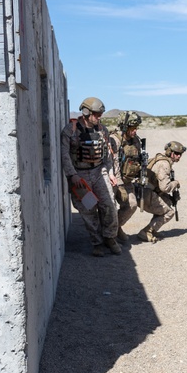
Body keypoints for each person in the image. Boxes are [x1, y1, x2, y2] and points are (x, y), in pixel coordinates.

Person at [61, 96, 121, 257]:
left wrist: (110, 172)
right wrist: (72, 175)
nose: (99, 117)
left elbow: (107, 154)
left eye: (100, 114)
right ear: (87, 112)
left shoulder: (102, 130)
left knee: (109, 206)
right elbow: (64, 155)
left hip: (99, 171)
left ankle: (110, 238)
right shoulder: (70, 130)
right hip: (80, 176)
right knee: (89, 210)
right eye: (96, 114)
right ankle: (97, 243)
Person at [109, 111, 146, 243]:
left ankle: (116, 228)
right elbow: (114, 164)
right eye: (132, 128)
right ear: (124, 126)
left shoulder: (136, 140)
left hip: (128, 180)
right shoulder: (115, 140)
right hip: (114, 180)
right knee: (110, 208)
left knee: (132, 205)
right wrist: (119, 185)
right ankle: (108, 234)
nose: (135, 131)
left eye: (136, 128)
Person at [138, 140, 185, 243]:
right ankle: (146, 232)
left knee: (168, 202)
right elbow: (165, 188)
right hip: (146, 194)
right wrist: (176, 183)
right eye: (177, 154)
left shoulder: (161, 159)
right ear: (170, 153)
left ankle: (152, 229)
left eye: (180, 154)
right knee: (169, 212)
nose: (179, 156)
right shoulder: (164, 164)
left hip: (145, 191)